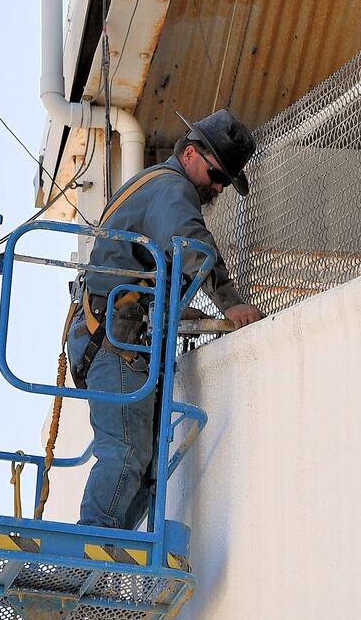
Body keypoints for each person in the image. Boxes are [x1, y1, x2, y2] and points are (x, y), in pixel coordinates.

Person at [66, 108, 262, 530]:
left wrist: (170, 306)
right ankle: (84, 556)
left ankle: (106, 556)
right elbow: (191, 242)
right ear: (191, 153)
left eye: (225, 182)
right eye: (216, 175)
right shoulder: (173, 188)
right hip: (114, 340)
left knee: (149, 465)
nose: (218, 187)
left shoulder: (155, 186)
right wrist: (229, 302)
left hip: (120, 335)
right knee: (126, 454)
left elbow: (142, 259)